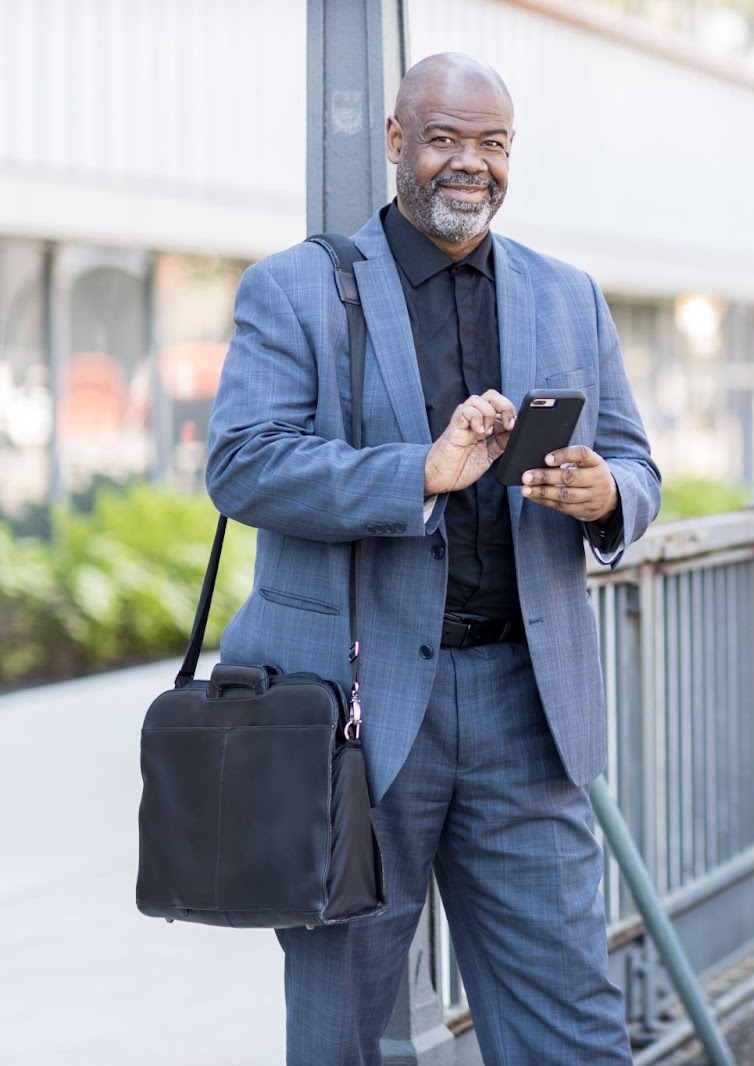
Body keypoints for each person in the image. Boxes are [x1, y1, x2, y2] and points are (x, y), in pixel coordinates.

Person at [206, 52, 659, 1065]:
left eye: (492, 144)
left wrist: (608, 496)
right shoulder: (297, 290)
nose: (471, 164)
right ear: (397, 142)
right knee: (343, 1032)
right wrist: (420, 470)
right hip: (352, 718)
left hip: (527, 709)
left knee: (575, 1029)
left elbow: (633, 457)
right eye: (446, 138)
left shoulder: (567, 295)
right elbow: (242, 465)